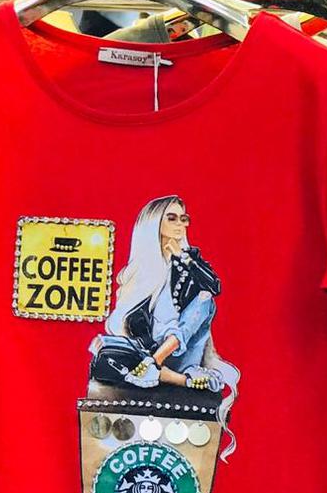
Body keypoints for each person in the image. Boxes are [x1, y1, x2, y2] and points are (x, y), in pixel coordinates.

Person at [88, 195, 241, 456]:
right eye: (172, 218)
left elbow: (213, 287)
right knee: (103, 350)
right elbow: (126, 327)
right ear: (154, 223)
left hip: (176, 353)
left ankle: (158, 367)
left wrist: (183, 258)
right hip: (145, 356)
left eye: (184, 218)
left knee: (205, 299)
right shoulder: (140, 272)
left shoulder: (190, 262)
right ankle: (173, 378)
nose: (181, 224)